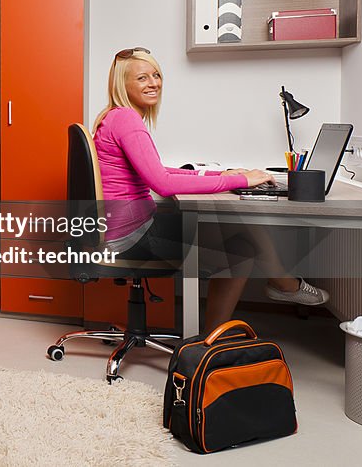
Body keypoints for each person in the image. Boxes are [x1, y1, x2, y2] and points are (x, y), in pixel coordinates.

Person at [92, 47, 328, 332]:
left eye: (156, 75)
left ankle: (281, 285)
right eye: (142, 78)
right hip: (131, 238)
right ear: (123, 84)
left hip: (126, 229)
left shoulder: (116, 117)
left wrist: (224, 174)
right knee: (239, 254)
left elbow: (160, 170)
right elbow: (163, 184)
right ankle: (269, 295)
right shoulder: (126, 120)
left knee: (239, 230)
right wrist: (240, 181)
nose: (153, 83)